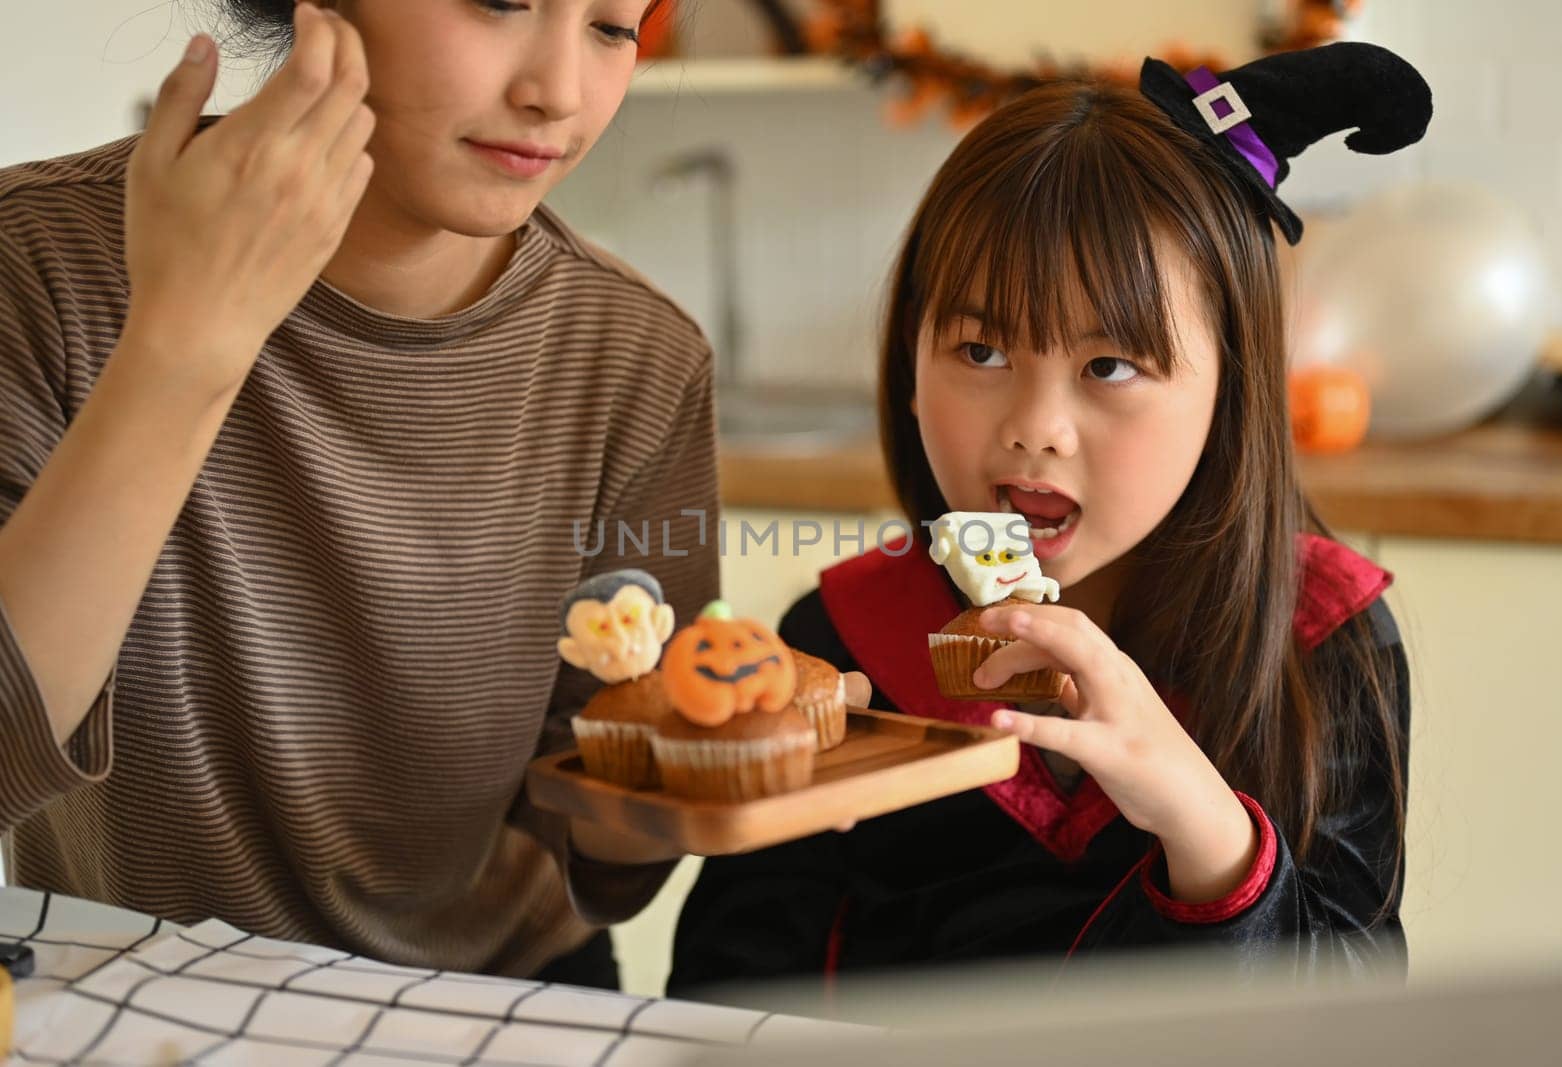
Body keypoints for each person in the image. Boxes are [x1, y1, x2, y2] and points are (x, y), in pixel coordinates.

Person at [671, 43, 1432, 1007]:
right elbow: (724, 989)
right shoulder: (839, 647)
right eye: (980, 348)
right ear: (909, 363)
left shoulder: (1324, 643)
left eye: (1110, 365)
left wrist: (1202, 824)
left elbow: (1358, 1023)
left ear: (1232, 391)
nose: (1033, 427)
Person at [0, 0, 715, 986]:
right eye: (501, 1)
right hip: (133, 1001)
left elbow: (594, 837)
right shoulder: (34, 264)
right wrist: (184, 337)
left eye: (612, 25)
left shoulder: (639, 359)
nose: (557, 91)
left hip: (511, 1004)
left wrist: (721, 770)